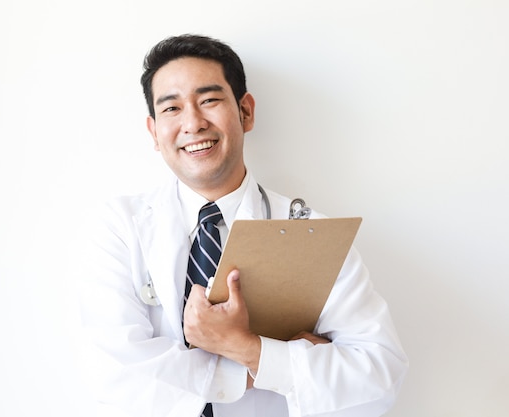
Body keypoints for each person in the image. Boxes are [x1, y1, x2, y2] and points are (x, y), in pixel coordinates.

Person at [78, 34, 408, 417]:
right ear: (154, 131)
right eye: (171, 109)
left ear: (245, 112)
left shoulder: (311, 233)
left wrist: (244, 347)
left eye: (209, 100)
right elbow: (115, 375)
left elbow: (379, 378)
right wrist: (272, 362)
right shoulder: (120, 227)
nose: (193, 123)